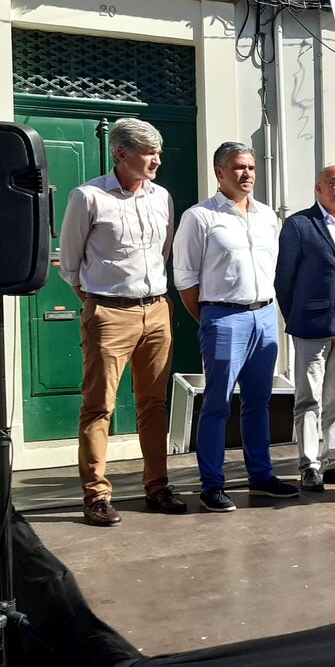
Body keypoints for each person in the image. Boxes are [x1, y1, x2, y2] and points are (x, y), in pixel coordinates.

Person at [59, 117, 186, 527]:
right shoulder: (88, 197)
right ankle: (96, 495)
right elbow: (70, 263)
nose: (157, 160)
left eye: (159, 152)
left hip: (157, 310)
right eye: (149, 153)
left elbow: (162, 253)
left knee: (154, 403)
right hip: (108, 312)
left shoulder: (162, 197)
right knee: (99, 406)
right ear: (121, 153)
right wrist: (98, 302)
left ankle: (158, 486)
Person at [173, 141, 299, 512]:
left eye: (251, 167)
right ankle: (212, 484)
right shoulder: (200, 217)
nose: (247, 174)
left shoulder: (267, 217)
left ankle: (261, 476)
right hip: (223, 316)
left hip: (265, 315)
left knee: (259, 402)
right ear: (219, 172)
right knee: (217, 404)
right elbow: (184, 277)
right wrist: (211, 318)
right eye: (238, 168)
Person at [275, 165, 335, 492]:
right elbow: (283, 282)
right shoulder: (300, 225)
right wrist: (297, 318)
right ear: (319, 188)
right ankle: (309, 465)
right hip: (310, 326)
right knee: (309, 398)